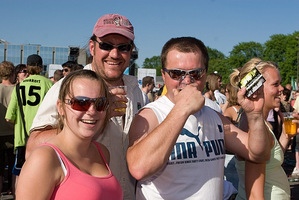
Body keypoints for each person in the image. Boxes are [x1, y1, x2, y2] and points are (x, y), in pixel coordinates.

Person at [126, 37, 273, 199]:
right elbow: (138, 169)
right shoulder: (150, 116)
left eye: (196, 73)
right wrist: (182, 110)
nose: (187, 81)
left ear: (205, 74)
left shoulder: (213, 116)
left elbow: (259, 154)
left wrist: (255, 115)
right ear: (164, 74)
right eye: (177, 73)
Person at [26, 14, 144, 200]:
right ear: (92, 47)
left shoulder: (136, 91)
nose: (114, 54)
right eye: (106, 45)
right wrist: (98, 116)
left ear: (131, 51)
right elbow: (33, 147)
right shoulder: (68, 87)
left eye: (123, 47)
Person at [16, 70, 122, 200]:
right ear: (60, 107)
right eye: (81, 103)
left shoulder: (102, 153)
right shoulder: (45, 159)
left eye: (100, 103)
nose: (92, 111)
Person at [231, 58, 292, 199]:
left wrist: (285, 135)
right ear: (256, 88)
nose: (282, 89)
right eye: (275, 84)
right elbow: (254, 195)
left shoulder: (263, 124)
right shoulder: (252, 126)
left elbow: (270, 160)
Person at [5, 54, 53, 190]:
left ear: (27, 67)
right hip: (44, 137)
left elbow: (9, 117)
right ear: (41, 67)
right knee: (43, 172)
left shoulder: (19, 87)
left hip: (22, 138)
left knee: (19, 173)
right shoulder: (49, 84)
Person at [0, 61, 15, 195]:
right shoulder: (17, 89)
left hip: (0, 132)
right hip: (13, 131)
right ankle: (12, 189)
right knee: (12, 166)